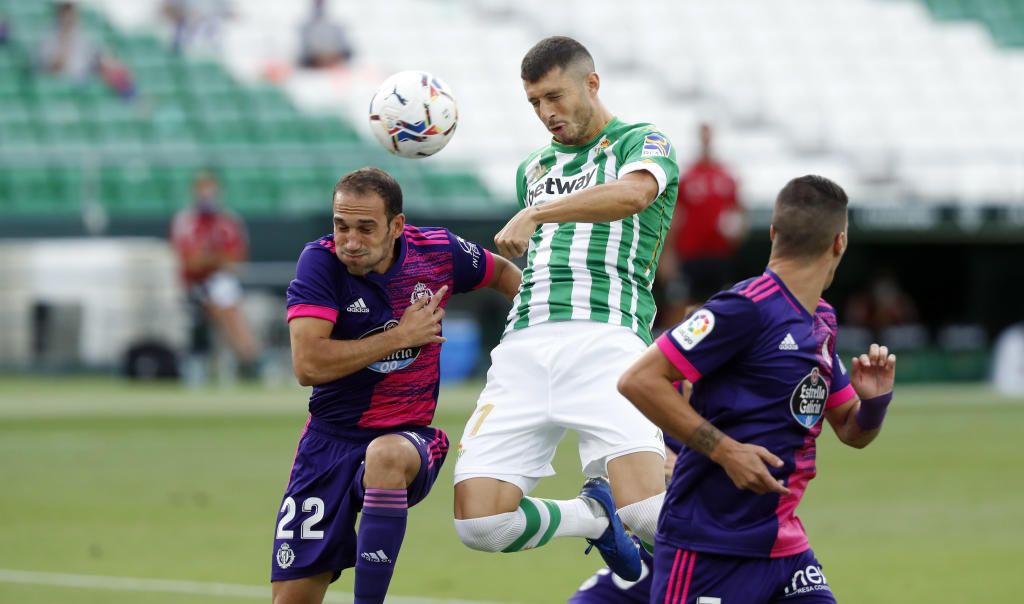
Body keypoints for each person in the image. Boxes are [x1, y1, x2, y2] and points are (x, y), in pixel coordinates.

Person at [452, 36, 679, 581]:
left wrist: (541, 213)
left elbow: (633, 197)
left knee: (648, 513)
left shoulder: (641, 141)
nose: (545, 112)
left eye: (554, 96)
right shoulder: (532, 167)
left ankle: (766, 559)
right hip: (523, 348)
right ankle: (594, 519)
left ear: (591, 84)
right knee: (480, 524)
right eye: (534, 102)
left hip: (607, 338)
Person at [618, 175, 898, 603]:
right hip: (708, 548)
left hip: (785, 549)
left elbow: (850, 429)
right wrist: (725, 450)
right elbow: (638, 379)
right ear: (840, 242)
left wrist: (874, 403)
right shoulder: (744, 308)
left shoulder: (821, 320)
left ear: (772, 233)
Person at [271, 167, 520, 604]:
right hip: (327, 443)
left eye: (366, 228)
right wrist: (400, 337)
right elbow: (308, 363)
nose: (350, 240)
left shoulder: (438, 251)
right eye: (341, 226)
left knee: (383, 454)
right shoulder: (320, 262)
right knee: (291, 599)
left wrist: (531, 340)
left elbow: (503, 274)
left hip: (409, 440)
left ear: (397, 226)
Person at [169, 169, 261, 380]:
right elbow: (190, 262)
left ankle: (248, 354)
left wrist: (209, 258)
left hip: (222, 284)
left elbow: (235, 260)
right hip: (194, 286)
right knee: (224, 303)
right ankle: (249, 356)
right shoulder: (185, 222)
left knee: (225, 298)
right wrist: (216, 258)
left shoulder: (228, 221)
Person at [661, 123, 745, 326]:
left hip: (718, 255)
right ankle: (671, 348)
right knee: (682, 303)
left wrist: (737, 234)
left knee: (719, 305)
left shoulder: (726, 176)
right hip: (691, 254)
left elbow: (739, 210)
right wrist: (668, 253)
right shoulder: (687, 176)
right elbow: (674, 216)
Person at [35, 1, 135, 97]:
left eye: (71, 16)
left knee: (113, 68)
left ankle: (132, 100)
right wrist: (64, 43)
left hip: (83, 78)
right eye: (66, 17)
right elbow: (53, 69)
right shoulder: (49, 39)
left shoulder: (81, 36)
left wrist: (106, 61)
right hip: (63, 81)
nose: (69, 20)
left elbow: (97, 54)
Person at [298, 0, 354, 69]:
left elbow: (347, 51)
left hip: (337, 68)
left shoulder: (336, 27)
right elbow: (302, 56)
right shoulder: (306, 28)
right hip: (313, 69)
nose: (320, 8)